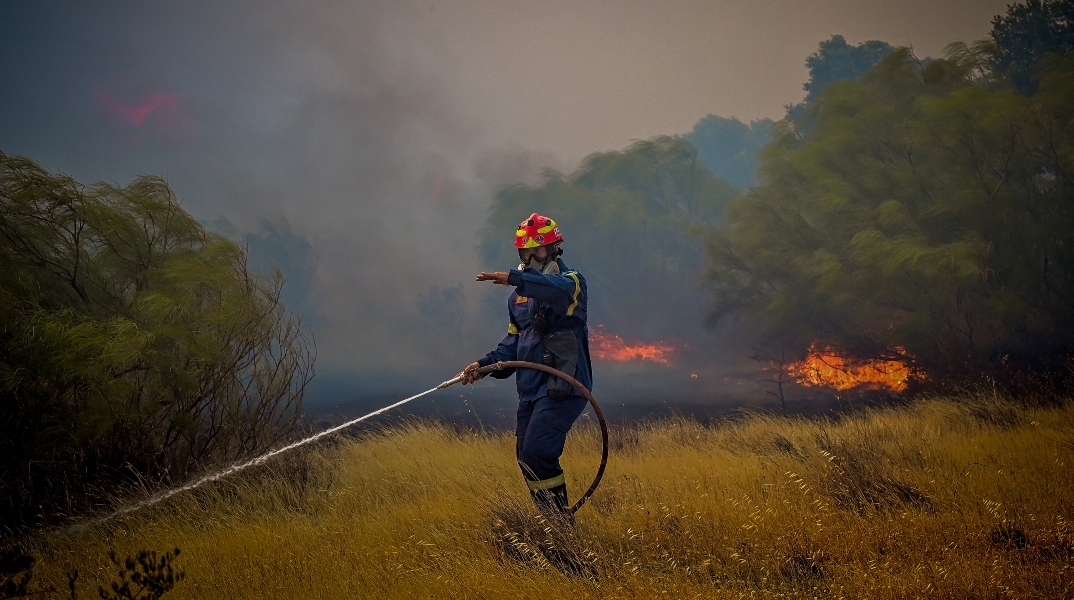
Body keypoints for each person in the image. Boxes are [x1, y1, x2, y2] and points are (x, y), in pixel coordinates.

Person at [461, 212, 593, 519]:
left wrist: (516, 279)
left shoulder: (571, 284)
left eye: (539, 251)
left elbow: (551, 287)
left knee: (538, 452)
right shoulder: (517, 300)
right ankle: (550, 521)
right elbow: (512, 344)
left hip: (563, 386)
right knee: (526, 457)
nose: (532, 258)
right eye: (526, 252)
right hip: (530, 390)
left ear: (555, 250)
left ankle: (560, 526)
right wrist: (483, 365)